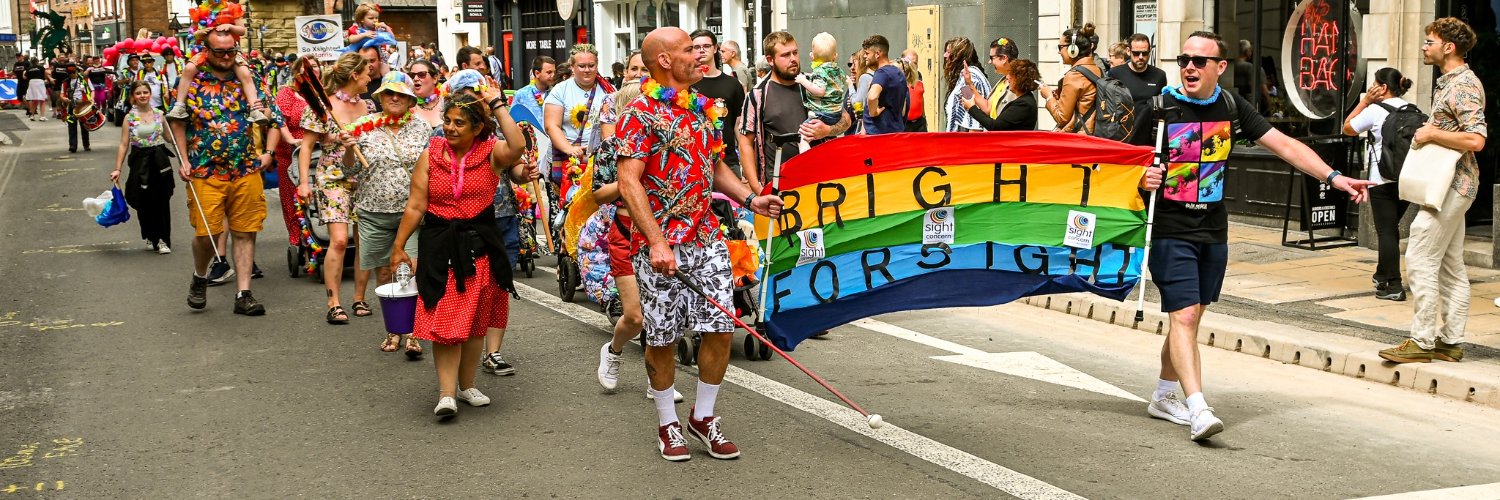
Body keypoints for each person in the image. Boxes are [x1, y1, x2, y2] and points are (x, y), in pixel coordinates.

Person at [1129, 31, 1374, 441]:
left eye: (1199, 61)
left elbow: (1285, 145)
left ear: (1220, 68)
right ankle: (1198, 407)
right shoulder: (1158, 108)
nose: (1189, 66)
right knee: (1184, 315)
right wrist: (1142, 176)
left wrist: (1333, 176)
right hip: (1170, 228)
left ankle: (1164, 394)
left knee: (1190, 317)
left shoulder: (1231, 106)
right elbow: (1124, 161)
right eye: (1183, 59)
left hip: (1213, 227)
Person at [617, 27, 784, 461]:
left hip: (706, 235)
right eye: (689, 50)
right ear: (666, 61)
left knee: (721, 326)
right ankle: (667, 424)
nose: (699, 55)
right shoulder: (640, 111)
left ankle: (703, 417)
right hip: (659, 245)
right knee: (662, 335)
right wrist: (655, 241)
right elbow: (628, 180)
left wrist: (750, 198)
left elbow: (714, 167)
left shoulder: (702, 109)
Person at [390, 90, 531, 419]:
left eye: (459, 123)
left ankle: (467, 386)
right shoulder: (432, 152)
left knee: (477, 323)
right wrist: (398, 246)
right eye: (447, 121)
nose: (450, 128)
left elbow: (518, 145)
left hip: (481, 245)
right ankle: (446, 394)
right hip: (441, 245)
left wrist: (496, 103)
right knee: (447, 323)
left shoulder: (491, 153)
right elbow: (415, 205)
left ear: (478, 127)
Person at [1379, 18, 1488, 365]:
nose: (1424, 47)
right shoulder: (1450, 83)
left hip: (1453, 185)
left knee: (1420, 253)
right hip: (1453, 184)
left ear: (1449, 47)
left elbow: (1476, 139)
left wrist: (1430, 134)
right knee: (1451, 265)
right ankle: (1450, 342)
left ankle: (1422, 340)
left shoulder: (1464, 86)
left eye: (1429, 42)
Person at [169, 30, 284, 316]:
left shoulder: (249, 77)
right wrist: (184, 160)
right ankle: (200, 275)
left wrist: (268, 153)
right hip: (204, 170)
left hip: (245, 168)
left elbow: (275, 117)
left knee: (245, 232)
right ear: (206, 51)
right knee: (207, 233)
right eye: (219, 52)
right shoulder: (192, 81)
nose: (225, 57)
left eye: (230, 51)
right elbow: (176, 123)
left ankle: (244, 293)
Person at [349, 71, 431, 357]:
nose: (394, 98)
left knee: (410, 271)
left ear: (411, 100)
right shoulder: (362, 128)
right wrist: (348, 151)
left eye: (401, 94)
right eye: (388, 93)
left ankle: (413, 332)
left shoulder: (423, 129)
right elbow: (349, 172)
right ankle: (393, 330)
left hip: (412, 213)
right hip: (374, 212)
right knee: (384, 273)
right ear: (380, 97)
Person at [297, 53, 373, 324]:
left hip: (362, 179)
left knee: (365, 240)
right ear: (355, 75)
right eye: (367, 71)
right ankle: (334, 302)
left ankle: (359, 298)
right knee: (339, 240)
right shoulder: (321, 106)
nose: (370, 76)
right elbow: (306, 147)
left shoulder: (368, 105)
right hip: (332, 178)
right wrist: (304, 182)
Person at [737, 30, 851, 194]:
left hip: (821, 183)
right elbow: (745, 143)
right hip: (779, 186)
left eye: (795, 53)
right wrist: (757, 189)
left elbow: (846, 120)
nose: (793, 59)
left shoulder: (815, 83)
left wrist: (827, 130)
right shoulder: (758, 94)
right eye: (785, 55)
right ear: (770, 60)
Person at [1342, 68, 1415, 302]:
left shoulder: (1374, 110)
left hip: (1380, 180)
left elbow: (1347, 127)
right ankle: (1382, 274)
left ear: (1382, 87)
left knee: (1386, 232)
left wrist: (1364, 101)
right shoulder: (1412, 110)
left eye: (1374, 83)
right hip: (1407, 180)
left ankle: (1394, 285)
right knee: (1391, 229)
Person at [166, 0, 270, 126]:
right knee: (188, 69)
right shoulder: (200, 9)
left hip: (231, 51)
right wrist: (200, 33)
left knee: (245, 73)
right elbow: (193, 32)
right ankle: (180, 106)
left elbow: (242, 30)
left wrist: (230, 27)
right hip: (206, 51)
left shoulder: (232, 7)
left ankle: (255, 109)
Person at [112, 81, 179, 254]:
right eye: (138, 93)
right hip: (139, 161)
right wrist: (117, 169)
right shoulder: (129, 117)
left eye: (145, 92)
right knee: (143, 200)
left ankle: (164, 239)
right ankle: (150, 234)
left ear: (150, 94)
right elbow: (124, 144)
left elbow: (170, 139)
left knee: (162, 199)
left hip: (159, 160)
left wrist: (179, 124)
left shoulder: (159, 114)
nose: (142, 95)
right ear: (133, 96)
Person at [689, 30, 746, 176]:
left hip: (727, 160)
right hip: (693, 160)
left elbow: (738, 125)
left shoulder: (732, 84)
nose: (702, 50)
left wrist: (745, 162)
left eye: (706, 46)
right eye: (696, 47)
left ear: (715, 48)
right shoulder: (685, 85)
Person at [273, 56, 313, 252]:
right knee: (293, 200)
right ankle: (296, 239)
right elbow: (278, 119)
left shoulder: (322, 94)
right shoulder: (287, 94)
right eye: (309, 68)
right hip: (292, 154)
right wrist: (289, 138)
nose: (314, 71)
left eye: (316, 67)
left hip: (317, 153)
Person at [1042, 23, 1101, 134]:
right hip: (1094, 135)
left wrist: (1048, 96)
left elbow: (1062, 117)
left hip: (1079, 138)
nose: (1059, 51)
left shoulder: (1074, 75)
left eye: (1060, 47)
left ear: (1072, 50)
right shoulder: (1097, 69)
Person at [960, 59, 1039, 131]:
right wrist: (969, 83)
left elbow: (995, 126)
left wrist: (972, 108)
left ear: (1019, 79)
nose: (1007, 77)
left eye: (1010, 74)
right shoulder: (1024, 101)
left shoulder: (1024, 104)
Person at [794, 32, 847, 133]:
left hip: (823, 113)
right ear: (835, 56)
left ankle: (804, 149)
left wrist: (803, 81)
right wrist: (811, 76)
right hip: (836, 113)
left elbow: (820, 91)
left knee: (803, 134)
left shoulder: (819, 72)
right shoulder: (838, 70)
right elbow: (829, 81)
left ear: (812, 56)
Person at [860, 35, 907, 135]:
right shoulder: (899, 73)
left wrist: (873, 112)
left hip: (878, 135)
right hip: (896, 131)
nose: (865, 57)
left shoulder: (882, 73)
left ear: (877, 54)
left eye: (867, 53)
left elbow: (872, 97)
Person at [963, 37, 1016, 126]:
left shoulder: (1017, 85)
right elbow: (988, 108)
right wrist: (969, 83)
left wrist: (972, 108)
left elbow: (999, 125)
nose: (989, 62)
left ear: (1004, 58)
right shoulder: (1003, 81)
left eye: (992, 58)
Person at [1108, 33, 1168, 107]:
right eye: (1136, 53)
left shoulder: (1159, 75)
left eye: (1145, 53)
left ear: (1150, 52)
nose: (1140, 57)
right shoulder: (1115, 73)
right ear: (1128, 51)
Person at [942, 37, 987, 132]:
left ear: (959, 56)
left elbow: (974, 117)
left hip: (967, 141)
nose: (945, 55)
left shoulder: (969, 78)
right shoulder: (965, 77)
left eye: (949, 52)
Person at [409, 60, 445, 131]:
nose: (415, 79)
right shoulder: (407, 107)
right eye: (412, 75)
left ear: (434, 79)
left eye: (421, 74)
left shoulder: (447, 103)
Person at [64, 66, 91, 153]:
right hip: (72, 105)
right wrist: (64, 99)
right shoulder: (65, 82)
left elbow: (92, 90)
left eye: (73, 72)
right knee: (71, 124)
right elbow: (62, 94)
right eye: (70, 73)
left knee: (84, 125)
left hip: (83, 104)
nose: (72, 74)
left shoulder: (84, 80)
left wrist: (91, 100)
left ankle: (86, 145)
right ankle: (73, 146)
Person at [898, 58, 926, 132]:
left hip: (919, 122)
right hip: (906, 123)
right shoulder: (900, 85)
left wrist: (924, 116)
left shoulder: (919, 83)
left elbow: (921, 100)